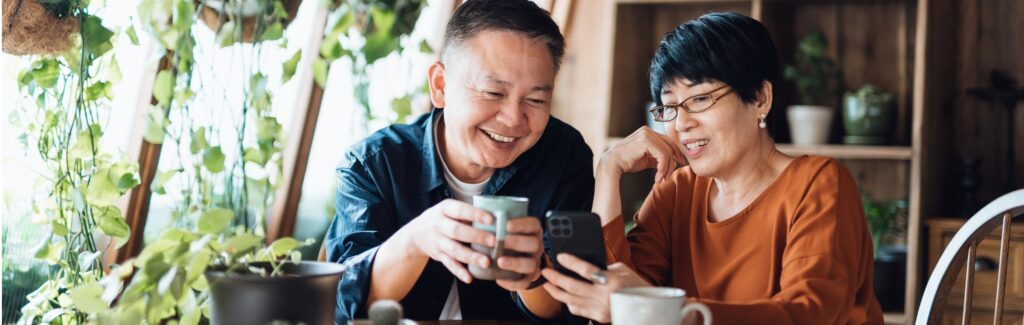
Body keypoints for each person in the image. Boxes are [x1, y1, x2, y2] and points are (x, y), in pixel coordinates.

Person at [535, 12, 884, 324]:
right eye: (669, 107)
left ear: (760, 98)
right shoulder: (678, 191)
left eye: (700, 99)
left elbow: (809, 314)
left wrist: (660, 310)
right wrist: (609, 170)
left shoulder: (818, 184)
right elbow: (616, 297)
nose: (681, 123)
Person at [324, 0, 594, 323]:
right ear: (440, 86)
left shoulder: (564, 157)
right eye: (494, 93)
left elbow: (574, 310)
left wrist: (533, 274)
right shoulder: (373, 164)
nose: (512, 119)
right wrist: (416, 240)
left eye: (536, 100)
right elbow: (343, 302)